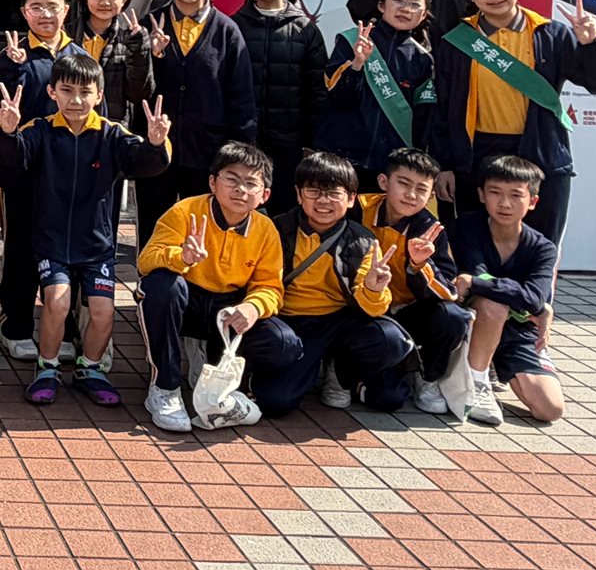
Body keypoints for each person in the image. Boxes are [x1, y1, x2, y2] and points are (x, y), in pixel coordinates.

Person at [0, 51, 172, 408]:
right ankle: (47, 368)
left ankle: (90, 369)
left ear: (99, 95)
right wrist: (7, 131)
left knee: (103, 310)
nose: (76, 100)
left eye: (85, 92)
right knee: (57, 302)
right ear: (52, 92)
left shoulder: (112, 134)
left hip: (96, 245)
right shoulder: (41, 129)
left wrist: (155, 143)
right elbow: (15, 157)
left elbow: (146, 164)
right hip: (51, 241)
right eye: (67, 90)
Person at [429, 0, 596, 244]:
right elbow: (443, 110)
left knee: (541, 246)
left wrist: (590, 44)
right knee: (476, 248)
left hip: (540, 152)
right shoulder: (457, 41)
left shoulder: (550, 35)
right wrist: (444, 164)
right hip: (476, 158)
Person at [134, 141, 298, 433]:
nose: (240, 189)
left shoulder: (266, 229)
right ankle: (164, 388)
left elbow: (270, 287)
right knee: (161, 287)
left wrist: (252, 307)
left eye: (251, 183)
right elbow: (146, 261)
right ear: (213, 182)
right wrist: (181, 257)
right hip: (188, 299)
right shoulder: (185, 211)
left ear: (265, 194)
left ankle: (217, 374)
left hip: (229, 307)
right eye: (231, 179)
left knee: (284, 342)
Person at [255, 153, 410, 417]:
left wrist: (373, 288)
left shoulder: (363, 240)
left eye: (334, 193)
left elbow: (373, 309)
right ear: (299, 194)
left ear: (351, 199)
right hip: (292, 321)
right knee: (275, 401)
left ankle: (341, 370)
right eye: (314, 191)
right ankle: (308, 366)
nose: (323, 200)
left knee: (390, 340)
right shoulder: (277, 230)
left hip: (342, 321)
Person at [0, 0, 74, 362]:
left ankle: (63, 328)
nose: (45, 14)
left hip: (68, 172)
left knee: (64, 249)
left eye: (52, 6)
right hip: (21, 169)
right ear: (24, 12)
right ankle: (15, 326)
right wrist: (8, 67)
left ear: (66, 10)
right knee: (19, 248)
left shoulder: (79, 56)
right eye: (37, 7)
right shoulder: (14, 55)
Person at [145, 0, 256, 247]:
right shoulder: (150, 24)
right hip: (157, 149)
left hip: (208, 151)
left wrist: (238, 153)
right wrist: (151, 55)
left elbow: (241, 97)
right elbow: (135, 88)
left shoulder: (227, 31)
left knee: (203, 228)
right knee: (155, 224)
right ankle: (152, 274)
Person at [448, 156, 564, 426]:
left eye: (515, 195)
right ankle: (477, 384)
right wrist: (525, 300)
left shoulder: (543, 248)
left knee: (550, 409)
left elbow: (534, 298)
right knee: (493, 305)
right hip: (476, 322)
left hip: (519, 330)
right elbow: (477, 273)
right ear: (481, 194)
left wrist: (477, 283)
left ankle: (494, 363)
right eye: (495, 192)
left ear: (533, 201)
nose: (504, 203)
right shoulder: (467, 226)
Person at [359, 147, 468, 416]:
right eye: (404, 183)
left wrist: (419, 265)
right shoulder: (359, 210)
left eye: (421, 189)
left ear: (431, 196)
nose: (411, 195)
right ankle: (355, 374)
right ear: (384, 182)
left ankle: (427, 376)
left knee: (453, 317)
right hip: (363, 310)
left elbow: (449, 291)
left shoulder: (431, 229)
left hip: (409, 312)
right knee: (387, 398)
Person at [318, 0, 436, 185]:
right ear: (381, 5)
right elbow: (339, 98)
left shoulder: (422, 59)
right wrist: (357, 64)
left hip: (389, 166)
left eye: (414, 4)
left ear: (423, 14)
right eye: (398, 0)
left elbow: (423, 118)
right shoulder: (351, 40)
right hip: (342, 159)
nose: (405, 9)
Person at [233, 0, 327, 205]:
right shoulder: (233, 27)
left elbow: (317, 92)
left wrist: (313, 143)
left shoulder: (306, 30)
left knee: (285, 210)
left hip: (289, 144)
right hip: (243, 141)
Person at [72, 0, 153, 127]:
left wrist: (139, 50)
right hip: (69, 125)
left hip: (113, 130)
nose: (104, 2)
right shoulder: (66, 35)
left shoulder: (131, 39)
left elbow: (140, 94)